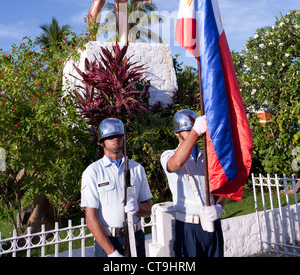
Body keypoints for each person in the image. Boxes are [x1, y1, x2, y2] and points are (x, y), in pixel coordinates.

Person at [81, 118, 152, 257]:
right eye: (110, 136)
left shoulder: (137, 169)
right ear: (102, 142)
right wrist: (111, 252)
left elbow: (148, 209)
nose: (116, 139)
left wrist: (138, 207)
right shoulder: (93, 172)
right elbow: (90, 217)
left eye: (119, 136)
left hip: (135, 238)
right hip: (108, 241)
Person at [160, 109, 225, 257]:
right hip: (187, 227)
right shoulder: (168, 155)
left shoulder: (208, 156)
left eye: (193, 129)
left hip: (211, 223)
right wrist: (196, 131)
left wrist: (219, 207)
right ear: (176, 133)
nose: (191, 132)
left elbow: (221, 187)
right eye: (187, 130)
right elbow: (176, 163)